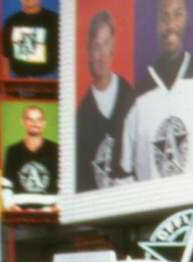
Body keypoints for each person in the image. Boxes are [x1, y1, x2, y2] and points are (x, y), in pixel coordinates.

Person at [118, 0, 193, 181]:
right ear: (156, 23)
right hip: (154, 207)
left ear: (187, 17)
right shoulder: (137, 97)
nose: (171, 25)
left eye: (177, 14)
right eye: (164, 17)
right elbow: (124, 173)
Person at [75, 11, 134, 192]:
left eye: (106, 44)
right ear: (88, 52)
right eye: (96, 46)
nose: (101, 55)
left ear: (113, 46)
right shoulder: (82, 115)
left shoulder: (130, 96)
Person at [2, 105, 59, 208]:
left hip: (51, 211)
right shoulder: (13, 151)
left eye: (38, 120)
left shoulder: (55, 149)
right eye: (30, 119)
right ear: (23, 122)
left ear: (44, 123)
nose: (35, 124)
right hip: (20, 212)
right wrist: (11, 205)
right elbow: (6, 182)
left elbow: (65, 183)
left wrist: (57, 207)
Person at [0, 0, 59, 79]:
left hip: (48, 77)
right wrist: (6, 82)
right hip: (18, 78)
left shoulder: (53, 20)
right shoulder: (11, 21)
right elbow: (6, 55)